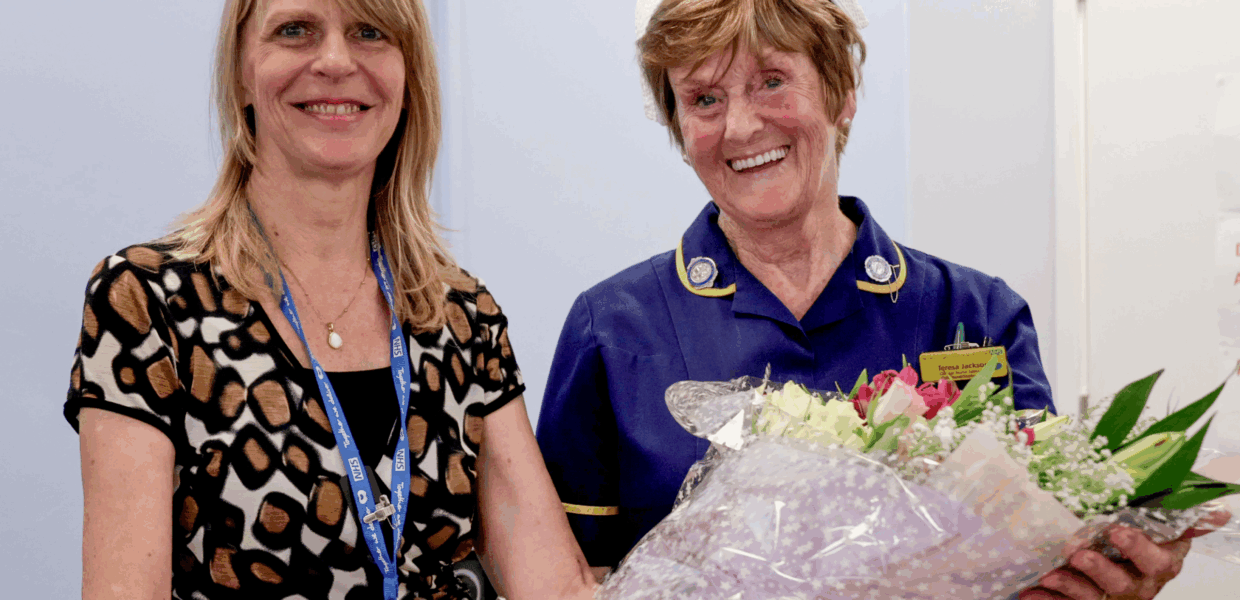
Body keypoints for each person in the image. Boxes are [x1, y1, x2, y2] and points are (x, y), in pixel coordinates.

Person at [535, 1, 1215, 599]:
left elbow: (1042, 544)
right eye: (704, 99)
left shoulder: (975, 316)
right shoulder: (612, 328)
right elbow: (572, 580)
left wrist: (1109, 584)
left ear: (842, 93)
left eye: (772, 81)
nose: (739, 126)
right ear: (680, 130)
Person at [65, 1, 595, 599]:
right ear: (241, 71)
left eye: (370, 32)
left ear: (407, 74)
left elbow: (557, 588)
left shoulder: (464, 317)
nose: (336, 61)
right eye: (296, 30)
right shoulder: (147, 302)